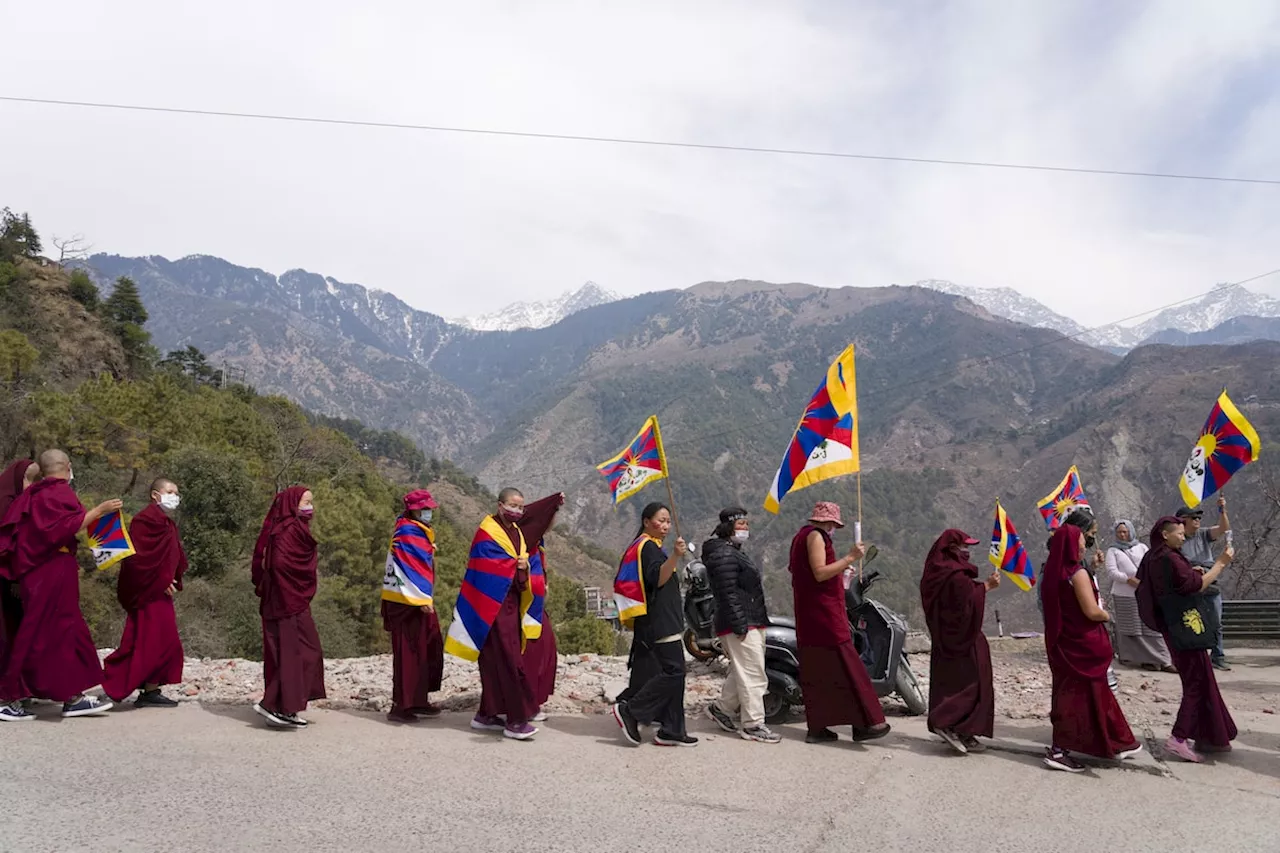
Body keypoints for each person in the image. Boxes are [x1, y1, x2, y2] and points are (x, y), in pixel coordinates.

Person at [0, 450, 121, 721]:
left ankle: (73, 696)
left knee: (69, 630)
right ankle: (10, 698)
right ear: (68, 467)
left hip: (42, 571)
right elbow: (60, 530)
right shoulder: (58, 492)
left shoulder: (33, 495)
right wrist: (99, 511)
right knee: (39, 632)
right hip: (50, 570)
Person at [1040, 514, 1142, 772]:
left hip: (1064, 643)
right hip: (1083, 645)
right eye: (1080, 540)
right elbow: (1091, 611)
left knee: (1088, 694)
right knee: (1081, 697)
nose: (1085, 544)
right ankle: (1060, 749)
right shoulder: (1076, 573)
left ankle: (1115, 740)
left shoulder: (1054, 572)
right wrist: (1107, 615)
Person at [1136, 516, 1237, 763]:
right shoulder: (1169, 557)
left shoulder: (1153, 557)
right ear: (1165, 535)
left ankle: (1205, 733)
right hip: (1186, 628)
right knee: (1195, 682)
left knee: (1199, 679)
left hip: (1173, 626)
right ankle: (1179, 738)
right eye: (1179, 534)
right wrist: (1220, 564)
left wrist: (1190, 572)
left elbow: (1171, 583)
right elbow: (1195, 586)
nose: (1183, 537)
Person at [446, 487, 542, 741]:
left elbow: (521, 563)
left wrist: (522, 567)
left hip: (509, 603)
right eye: (512, 505)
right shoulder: (487, 532)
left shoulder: (517, 534)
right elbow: (484, 564)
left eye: (521, 507)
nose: (517, 511)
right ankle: (515, 721)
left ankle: (486, 714)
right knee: (509, 662)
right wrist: (517, 565)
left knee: (494, 661)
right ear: (500, 505)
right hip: (491, 606)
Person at [788, 501, 887, 745]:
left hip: (812, 613)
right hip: (823, 615)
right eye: (834, 524)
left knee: (820, 670)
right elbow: (820, 572)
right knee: (847, 663)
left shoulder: (803, 536)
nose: (834, 528)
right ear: (828, 522)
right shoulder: (815, 537)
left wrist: (842, 576)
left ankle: (819, 726)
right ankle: (866, 722)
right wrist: (850, 557)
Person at [610, 502, 694, 747]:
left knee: (673, 673)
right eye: (661, 520)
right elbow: (657, 578)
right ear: (647, 522)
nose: (666, 525)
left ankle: (673, 729)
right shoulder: (646, 547)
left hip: (667, 619)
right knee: (674, 671)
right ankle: (631, 710)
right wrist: (676, 557)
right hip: (660, 621)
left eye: (668, 521)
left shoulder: (652, 547)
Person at [101, 478, 188, 707]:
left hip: (161, 593)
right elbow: (137, 560)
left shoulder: (167, 523)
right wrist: (160, 580)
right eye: (170, 491)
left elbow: (171, 555)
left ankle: (151, 690)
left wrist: (171, 577)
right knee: (145, 643)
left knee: (165, 643)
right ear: (155, 495)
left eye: (176, 492)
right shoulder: (144, 520)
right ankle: (113, 684)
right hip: (148, 593)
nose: (174, 496)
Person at [702, 506, 778, 743]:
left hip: (750, 620)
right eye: (741, 524)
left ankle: (721, 709)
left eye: (746, 524)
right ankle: (753, 724)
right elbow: (727, 594)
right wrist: (740, 625)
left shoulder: (732, 551)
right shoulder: (724, 555)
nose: (745, 528)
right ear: (728, 527)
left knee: (743, 671)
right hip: (741, 622)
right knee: (754, 675)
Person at [251, 486, 325, 728]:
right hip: (286, 601)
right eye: (305, 502)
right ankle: (274, 705)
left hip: (291, 600)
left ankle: (286, 707)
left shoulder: (295, 528)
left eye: (311, 502)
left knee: (295, 653)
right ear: (292, 504)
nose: (309, 507)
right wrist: (293, 593)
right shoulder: (286, 530)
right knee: (299, 652)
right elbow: (280, 564)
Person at [920, 528, 999, 755]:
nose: (967, 552)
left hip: (946, 636)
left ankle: (964, 729)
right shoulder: (954, 575)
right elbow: (963, 604)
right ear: (952, 548)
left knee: (952, 681)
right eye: (964, 547)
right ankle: (944, 720)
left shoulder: (937, 572)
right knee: (974, 680)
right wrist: (986, 587)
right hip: (961, 638)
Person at [380, 489, 444, 723]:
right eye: (424, 508)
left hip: (417, 599)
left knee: (425, 649)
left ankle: (418, 700)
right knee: (408, 653)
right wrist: (422, 599)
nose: (428, 512)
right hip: (408, 602)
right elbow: (410, 568)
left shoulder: (416, 529)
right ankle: (400, 707)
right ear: (413, 509)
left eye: (429, 508)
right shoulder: (408, 531)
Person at [516, 492, 566, 722]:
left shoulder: (537, 543)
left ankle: (532, 701)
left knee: (545, 654)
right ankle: (524, 704)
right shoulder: (522, 545)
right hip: (523, 612)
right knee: (530, 657)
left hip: (536, 609)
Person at [1105, 519, 1173, 671]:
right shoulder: (1113, 551)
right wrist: (1128, 580)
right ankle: (1140, 659)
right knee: (1132, 628)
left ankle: (1162, 659)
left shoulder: (1141, 547)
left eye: (1125, 531)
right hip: (1124, 594)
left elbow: (1152, 564)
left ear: (1130, 531)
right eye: (1119, 532)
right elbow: (1111, 571)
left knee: (1150, 626)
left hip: (1144, 592)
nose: (1122, 535)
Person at [1175, 498, 1231, 671]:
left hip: (1210, 581)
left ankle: (1217, 655)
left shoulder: (1204, 534)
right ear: (1183, 520)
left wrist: (1222, 510)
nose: (1197, 520)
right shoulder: (1177, 539)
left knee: (1215, 621)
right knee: (1191, 621)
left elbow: (1223, 529)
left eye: (1198, 518)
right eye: (1193, 518)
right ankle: (1193, 657)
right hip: (1189, 584)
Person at [0, 459, 38, 658]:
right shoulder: (7, 504)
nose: (30, 486)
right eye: (27, 480)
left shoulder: (17, 499)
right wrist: (15, 578)